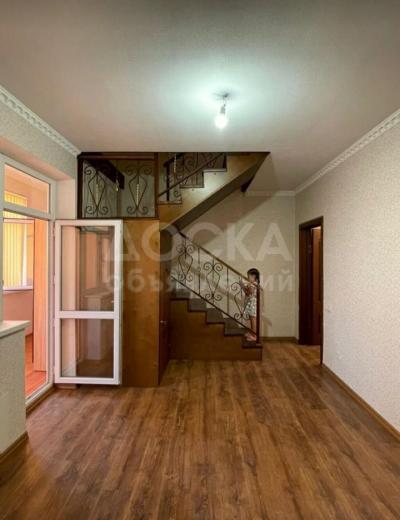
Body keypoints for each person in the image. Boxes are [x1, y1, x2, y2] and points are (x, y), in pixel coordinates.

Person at [242, 268, 260, 342]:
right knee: (251, 318)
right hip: (251, 304)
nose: (248, 278)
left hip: (253, 304)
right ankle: (252, 333)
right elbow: (248, 293)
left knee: (253, 320)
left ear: (254, 276)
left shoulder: (254, 284)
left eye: (248, 276)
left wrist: (243, 287)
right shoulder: (253, 284)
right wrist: (245, 287)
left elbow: (248, 292)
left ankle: (254, 336)